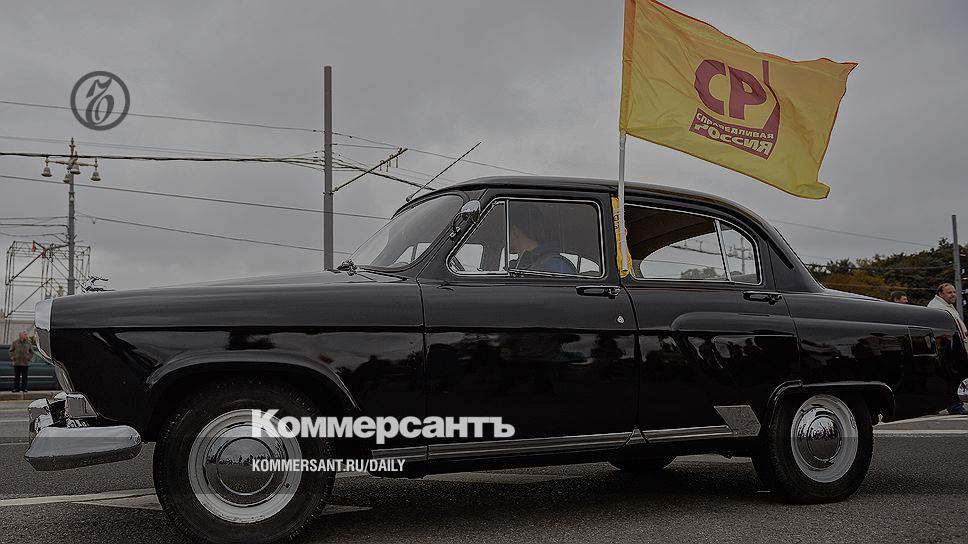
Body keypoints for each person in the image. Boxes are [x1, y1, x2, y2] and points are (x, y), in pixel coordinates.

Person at [927, 283, 967, 415]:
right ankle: (954, 405)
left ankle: (935, 405)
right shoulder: (937, 307)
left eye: (954, 292)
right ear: (940, 294)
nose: (953, 295)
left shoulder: (945, 306)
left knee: (944, 377)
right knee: (951, 376)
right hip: (945, 346)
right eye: (949, 292)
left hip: (948, 345)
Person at [508, 207, 577, 275]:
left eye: (507, 232)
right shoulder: (520, 266)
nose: (506, 239)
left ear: (514, 232)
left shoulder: (554, 266)